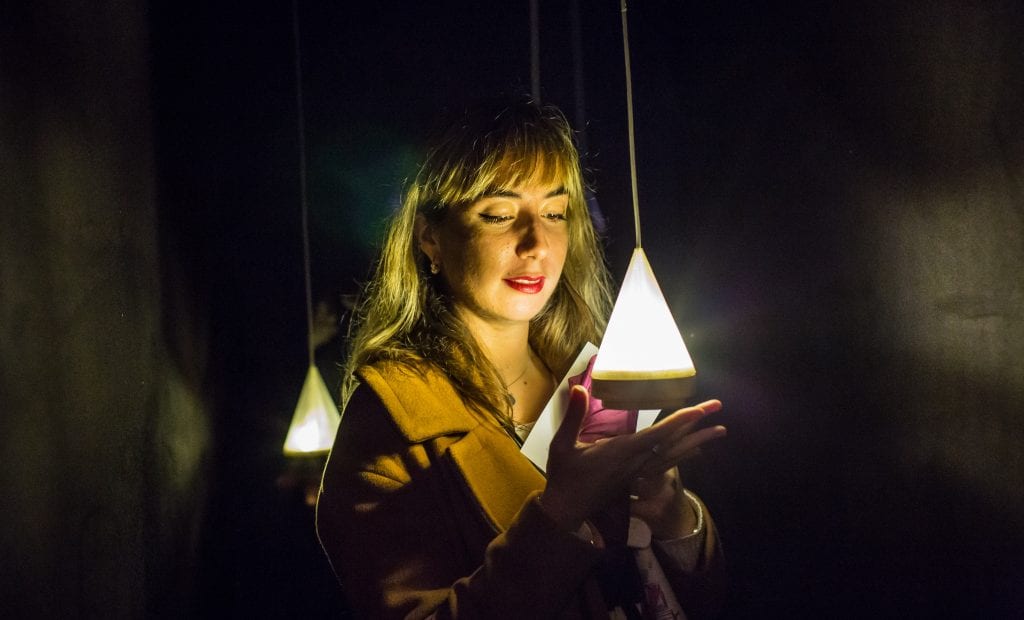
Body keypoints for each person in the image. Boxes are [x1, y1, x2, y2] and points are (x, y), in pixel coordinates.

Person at [316, 97, 727, 619]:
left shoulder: (595, 378)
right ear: (431, 240)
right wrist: (560, 512)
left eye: (555, 213)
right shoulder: (393, 417)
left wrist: (673, 515)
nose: (535, 243)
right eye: (499, 215)